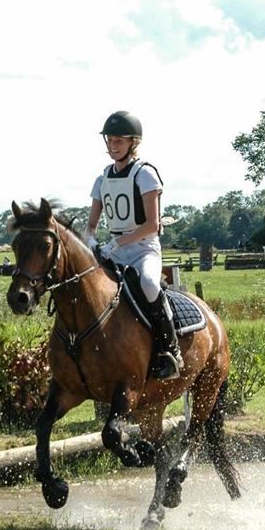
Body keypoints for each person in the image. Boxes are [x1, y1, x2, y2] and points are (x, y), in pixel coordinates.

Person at [86, 110, 182, 380]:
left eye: (119, 141)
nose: (113, 146)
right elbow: (91, 224)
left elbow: (152, 225)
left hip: (143, 249)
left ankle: (169, 349)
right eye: (110, 141)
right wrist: (92, 241)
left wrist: (118, 243)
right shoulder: (102, 179)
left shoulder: (145, 174)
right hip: (114, 250)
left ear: (132, 143)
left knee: (150, 284)